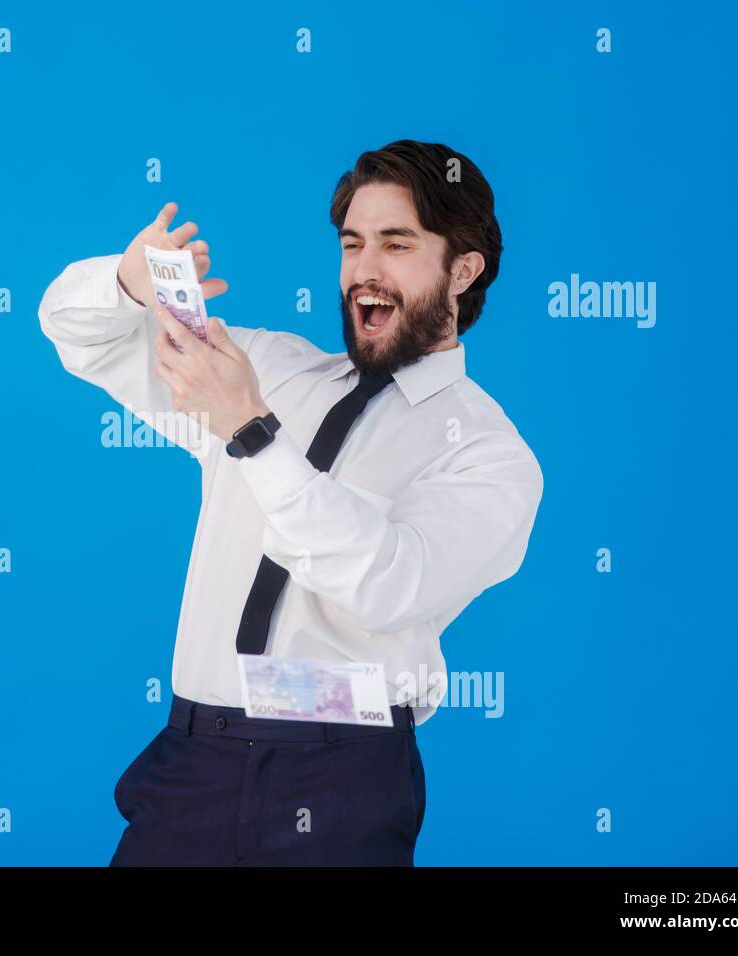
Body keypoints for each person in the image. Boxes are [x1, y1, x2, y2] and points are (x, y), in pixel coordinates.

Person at [38, 140, 543, 866]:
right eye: (352, 243)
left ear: (463, 269)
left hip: (341, 770)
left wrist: (251, 432)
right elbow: (79, 335)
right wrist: (125, 282)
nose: (365, 269)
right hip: (192, 760)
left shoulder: (489, 454)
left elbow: (386, 583)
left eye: (396, 244)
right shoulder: (267, 368)